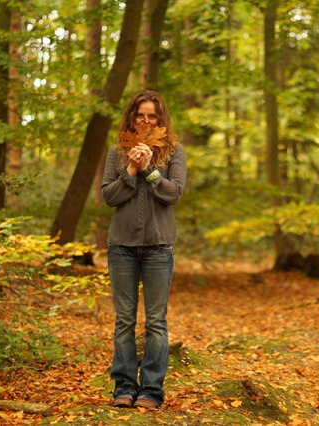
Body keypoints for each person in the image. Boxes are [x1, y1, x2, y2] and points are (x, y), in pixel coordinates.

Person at [101, 90, 187, 409]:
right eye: (141, 115)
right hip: (121, 247)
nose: (146, 121)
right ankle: (124, 386)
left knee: (155, 321)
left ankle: (151, 389)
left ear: (160, 120)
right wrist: (132, 170)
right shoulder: (116, 152)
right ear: (132, 118)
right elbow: (108, 195)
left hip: (159, 248)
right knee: (124, 319)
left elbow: (173, 193)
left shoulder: (174, 152)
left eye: (153, 116)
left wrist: (150, 170)